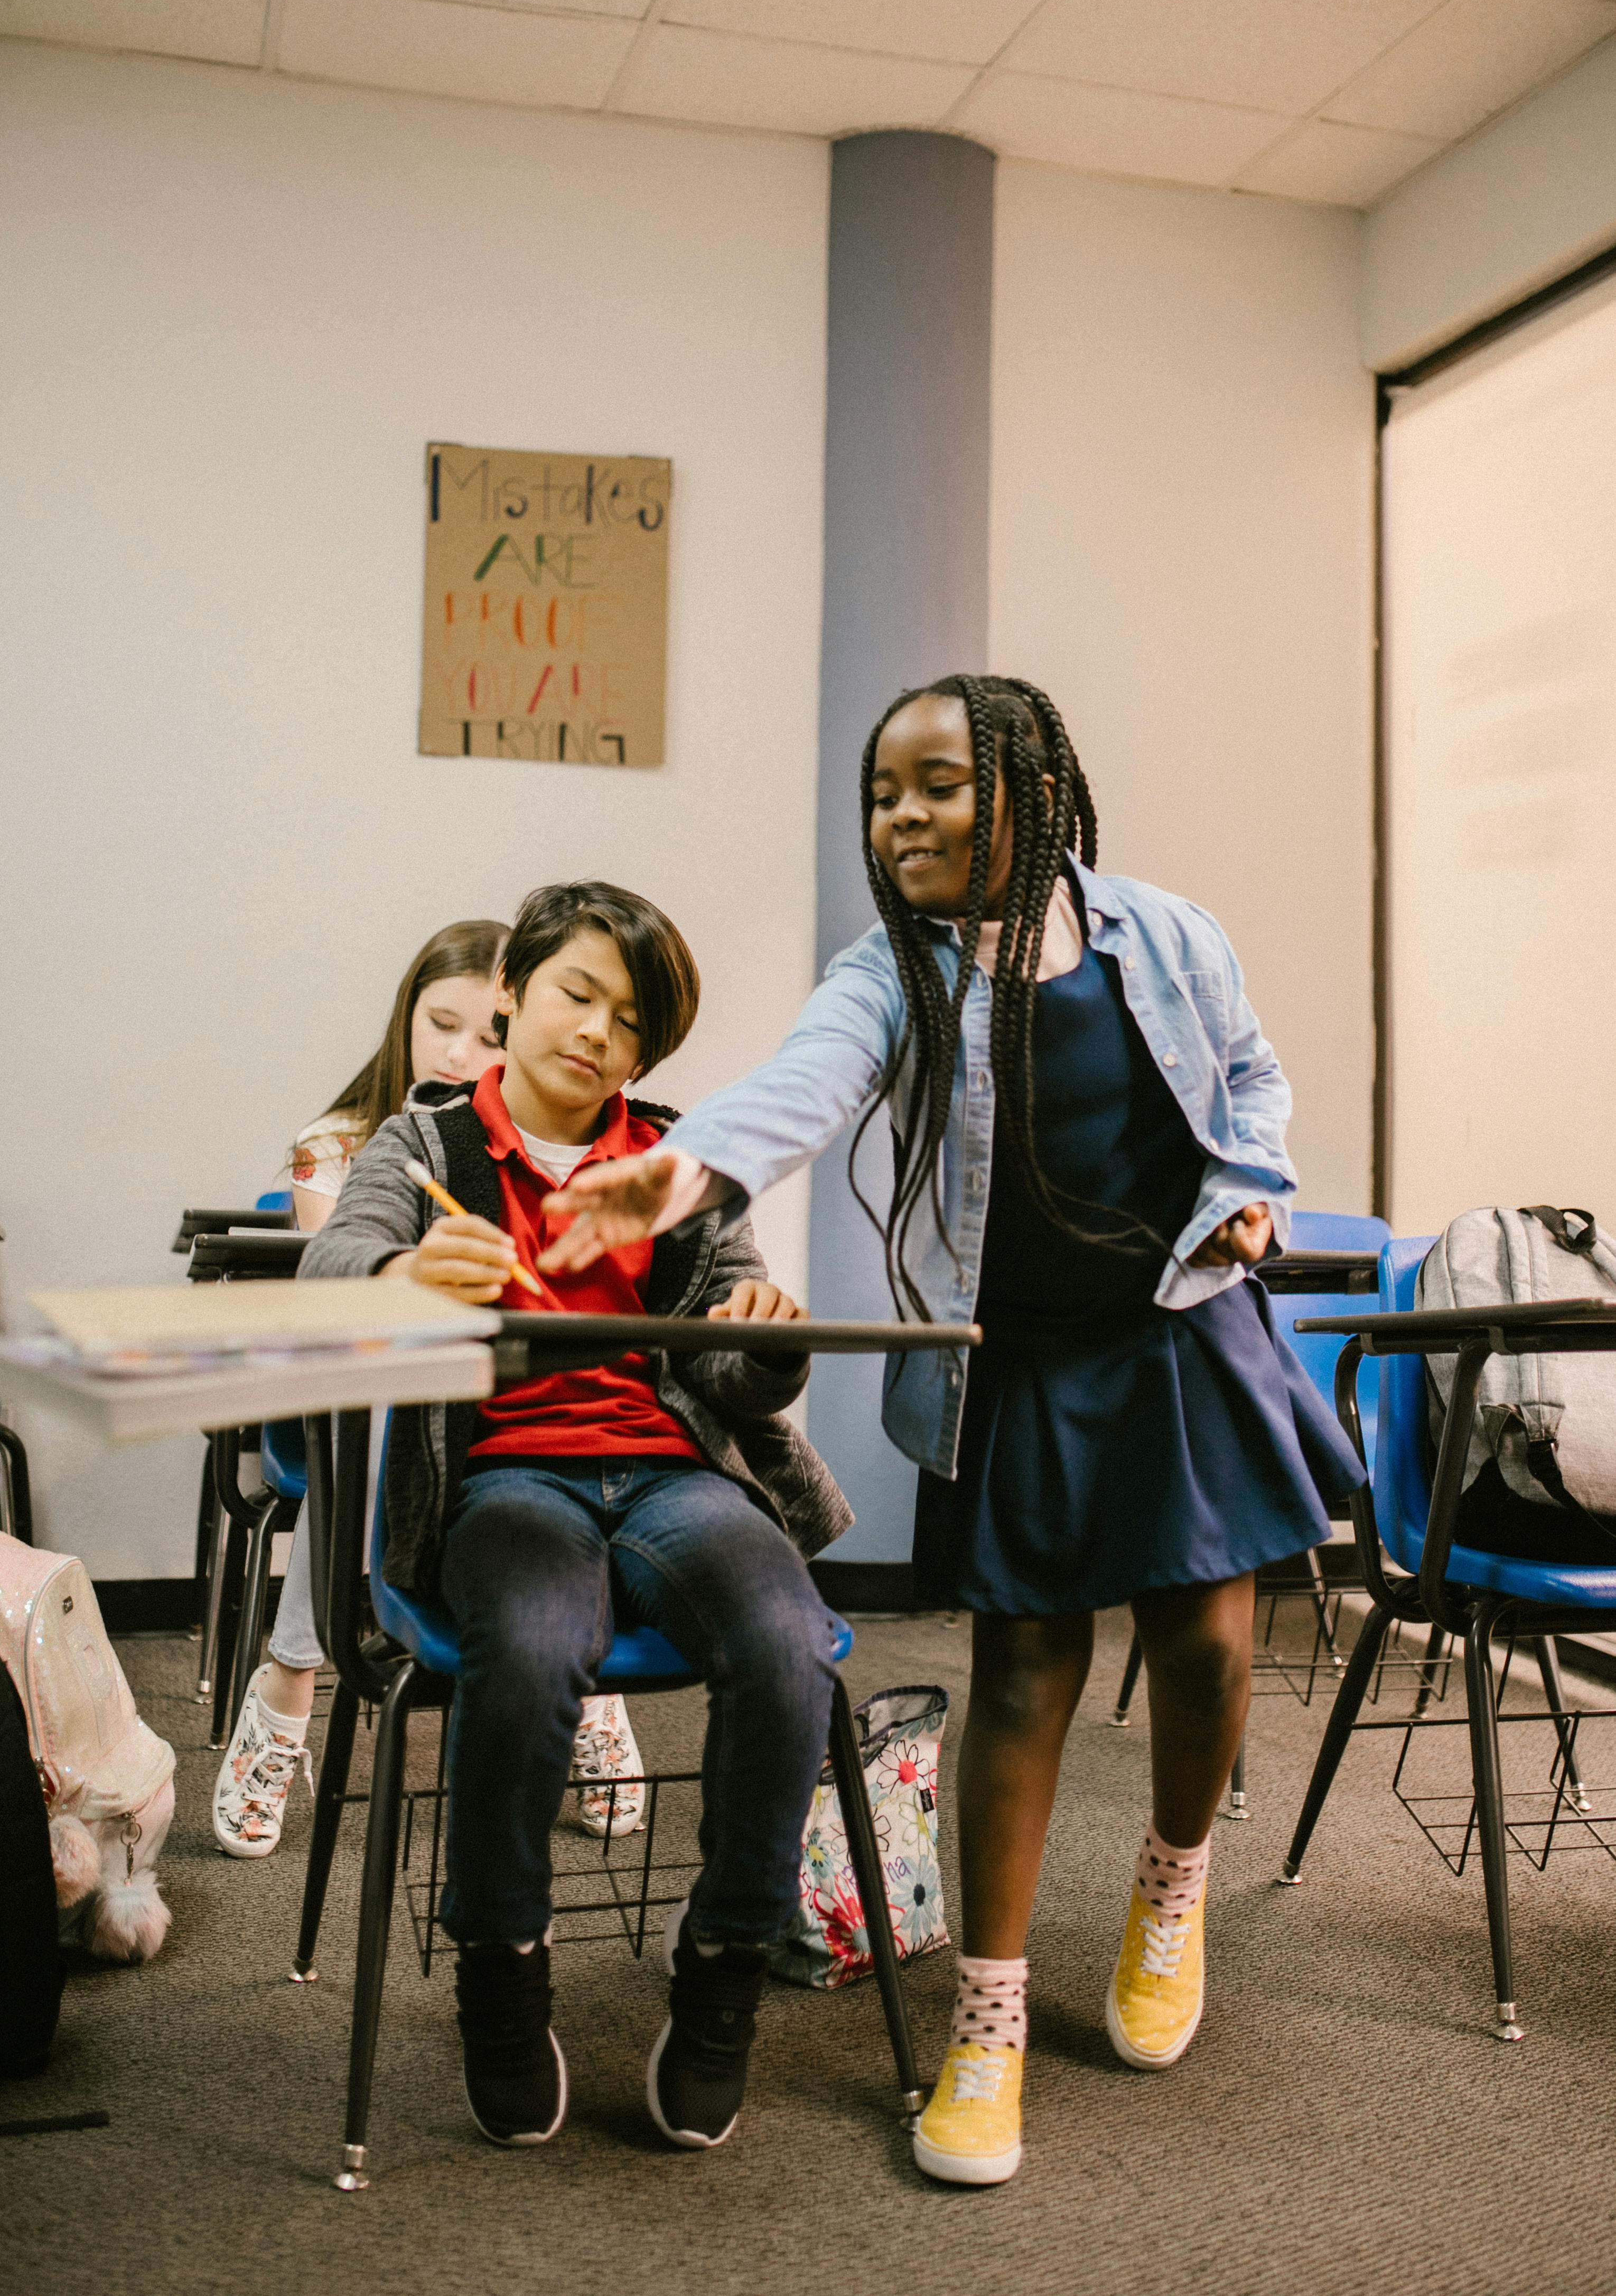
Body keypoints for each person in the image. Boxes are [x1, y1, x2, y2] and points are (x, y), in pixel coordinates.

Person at [538, 677, 1360, 2188]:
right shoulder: (892, 972)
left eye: (935, 786)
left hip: (1179, 1330)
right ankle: (988, 2027)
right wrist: (688, 1171)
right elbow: (806, 1083)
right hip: (1026, 1363)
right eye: (880, 793)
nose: (899, 817)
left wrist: (1252, 1181)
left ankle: (1167, 1899)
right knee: (1025, 1671)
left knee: (1208, 1644)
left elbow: (1250, 1074)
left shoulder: (1166, 932)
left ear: (1031, 788)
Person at [301, 880, 853, 2153]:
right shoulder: (426, 1145)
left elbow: (730, 1353)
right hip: (507, 1480)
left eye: (631, 1019)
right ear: (513, 993)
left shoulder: (680, 1161)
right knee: (536, 1641)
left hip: (673, 1475)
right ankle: (502, 1962)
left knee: (790, 1646)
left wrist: (756, 1339)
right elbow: (333, 1264)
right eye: (576, 993)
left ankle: (720, 1971)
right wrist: (399, 1268)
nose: (599, 1030)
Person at [212, 917, 646, 1858]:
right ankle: (292, 1669)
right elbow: (345, 1291)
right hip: (370, 1392)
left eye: (486, 1033)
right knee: (384, 1403)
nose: (461, 1050)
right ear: (404, 1019)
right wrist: (415, 1268)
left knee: (600, 1417)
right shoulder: (350, 1141)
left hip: (511, 1407)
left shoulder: (566, 1137)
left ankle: (591, 1681)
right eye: (438, 1023)